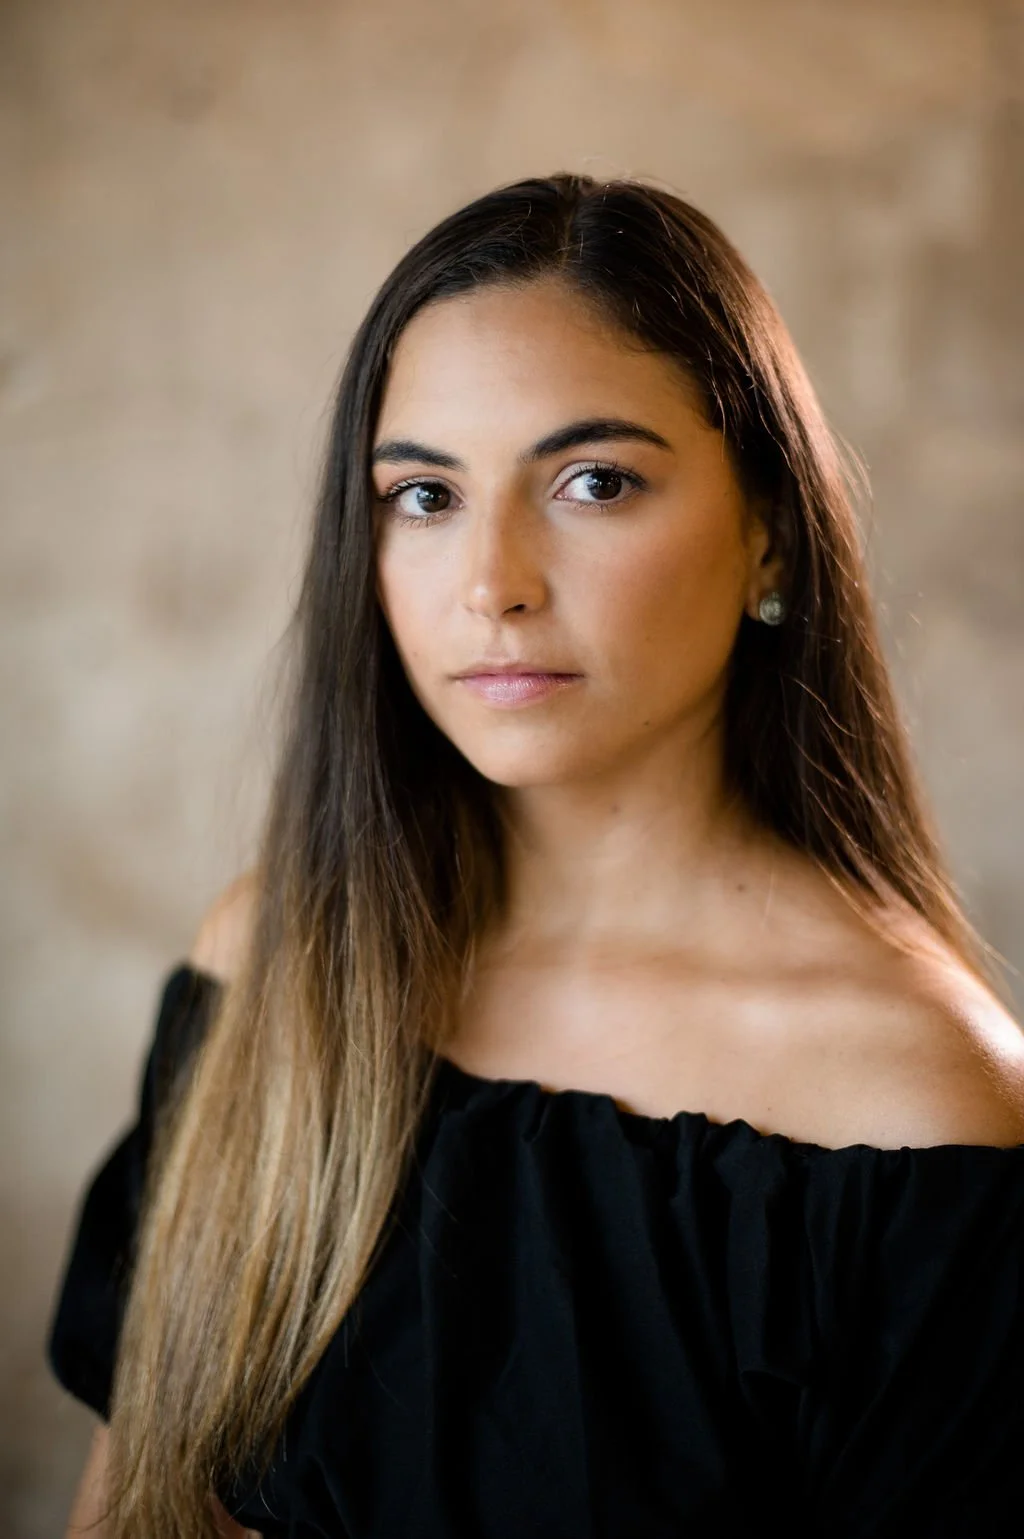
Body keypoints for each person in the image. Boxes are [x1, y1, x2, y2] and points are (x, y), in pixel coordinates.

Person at [49, 172, 1024, 1539]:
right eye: (424, 496)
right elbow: (139, 1498)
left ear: (772, 535)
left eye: (593, 481)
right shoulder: (271, 959)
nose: (492, 580)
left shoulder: (921, 1114)